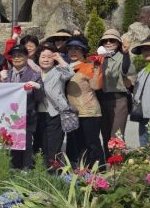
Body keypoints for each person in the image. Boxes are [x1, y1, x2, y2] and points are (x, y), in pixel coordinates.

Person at [0, 45, 43, 169]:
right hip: (8, 116)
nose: (16, 58)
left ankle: (26, 169)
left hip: (27, 116)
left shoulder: (35, 75)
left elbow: (39, 98)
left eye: (20, 56)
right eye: (14, 56)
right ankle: (10, 169)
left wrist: (37, 88)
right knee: (8, 143)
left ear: (26, 57)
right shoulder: (7, 74)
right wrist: (2, 81)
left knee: (26, 144)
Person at [64, 36, 105, 168]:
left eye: (77, 48)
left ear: (83, 51)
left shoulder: (88, 66)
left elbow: (96, 86)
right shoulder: (65, 67)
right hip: (72, 112)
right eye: (70, 48)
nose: (73, 51)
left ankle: (99, 171)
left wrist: (97, 68)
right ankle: (79, 171)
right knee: (75, 144)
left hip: (89, 112)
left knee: (91, 144)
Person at [34, 42, 74, 168]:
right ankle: (40, 172)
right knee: (40, 145)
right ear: (38, 58)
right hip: (38, 113)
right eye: (43, 57)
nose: (46, 60)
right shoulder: (35, 72)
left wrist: (59, 59)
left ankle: (53, 173)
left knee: (53, 147)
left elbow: (70, 73)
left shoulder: (58, 71)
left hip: (56, 113)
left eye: (49, 57)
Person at [96, 28, 134, 149]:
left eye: (112, 40)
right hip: (101, 100)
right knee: (105, 135)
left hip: (118, 100)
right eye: (105, 40)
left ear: (118, 43)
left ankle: (118, 161)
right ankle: (108, 160)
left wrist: (126, 53)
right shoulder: (98, 58)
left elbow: (126, 71)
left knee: (117, 136)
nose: (108, 43)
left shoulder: (122, 57)